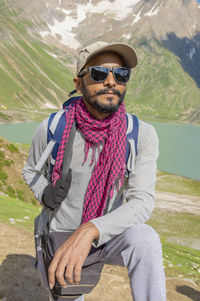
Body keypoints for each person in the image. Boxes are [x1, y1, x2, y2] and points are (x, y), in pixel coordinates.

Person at [23, 41, 167, 301]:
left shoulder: (140, 134)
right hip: (61, 233)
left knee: (145, 239)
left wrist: (91, 229)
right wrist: (44, 193)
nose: (111, 81)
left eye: (121, 74)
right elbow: (31, 170)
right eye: (99, 73)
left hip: (108, 233)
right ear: (79, 84)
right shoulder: (52, 128)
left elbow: (142, 201)